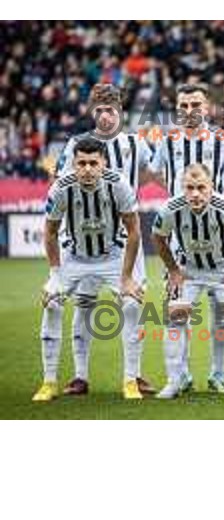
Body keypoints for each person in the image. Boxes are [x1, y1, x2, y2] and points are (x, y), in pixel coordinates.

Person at [150, 83, 224, 395]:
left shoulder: (222, 140)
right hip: (183, 243)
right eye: (183, 105)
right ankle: (178, 376)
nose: (190, 110)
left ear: (206, 107)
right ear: (177, 108)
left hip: (221, 238)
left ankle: (218, 373)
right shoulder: (168, 141)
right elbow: (155, 172)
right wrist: (176, 195)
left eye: (196, 104)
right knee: (176, 311)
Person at [55, 83, 155, 395]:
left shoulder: (135, 143)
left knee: (132, 303)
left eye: (110, 110)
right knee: (84, 304)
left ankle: (133, 375)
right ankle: (80, 376)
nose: (105, 116)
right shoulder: (77, 144)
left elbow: (151, 173)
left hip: (127, 238)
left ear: (120, 112)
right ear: (91, 111)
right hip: (86, 239)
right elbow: (58, 181)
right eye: (99, 110)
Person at [33, 137, 144, 401]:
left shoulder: (118, 184)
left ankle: (130, 381)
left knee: (132, 303)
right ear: (73, 163)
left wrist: (127, 277)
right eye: (81, 163)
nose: (87, 169)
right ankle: (49, 382)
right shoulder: (61, 187)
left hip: (112, 256)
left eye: (93, 163)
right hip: (74, 256)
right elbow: (49, 232)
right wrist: (55, 276)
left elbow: (134, 231)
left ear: (103, 163)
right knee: (52, 303)